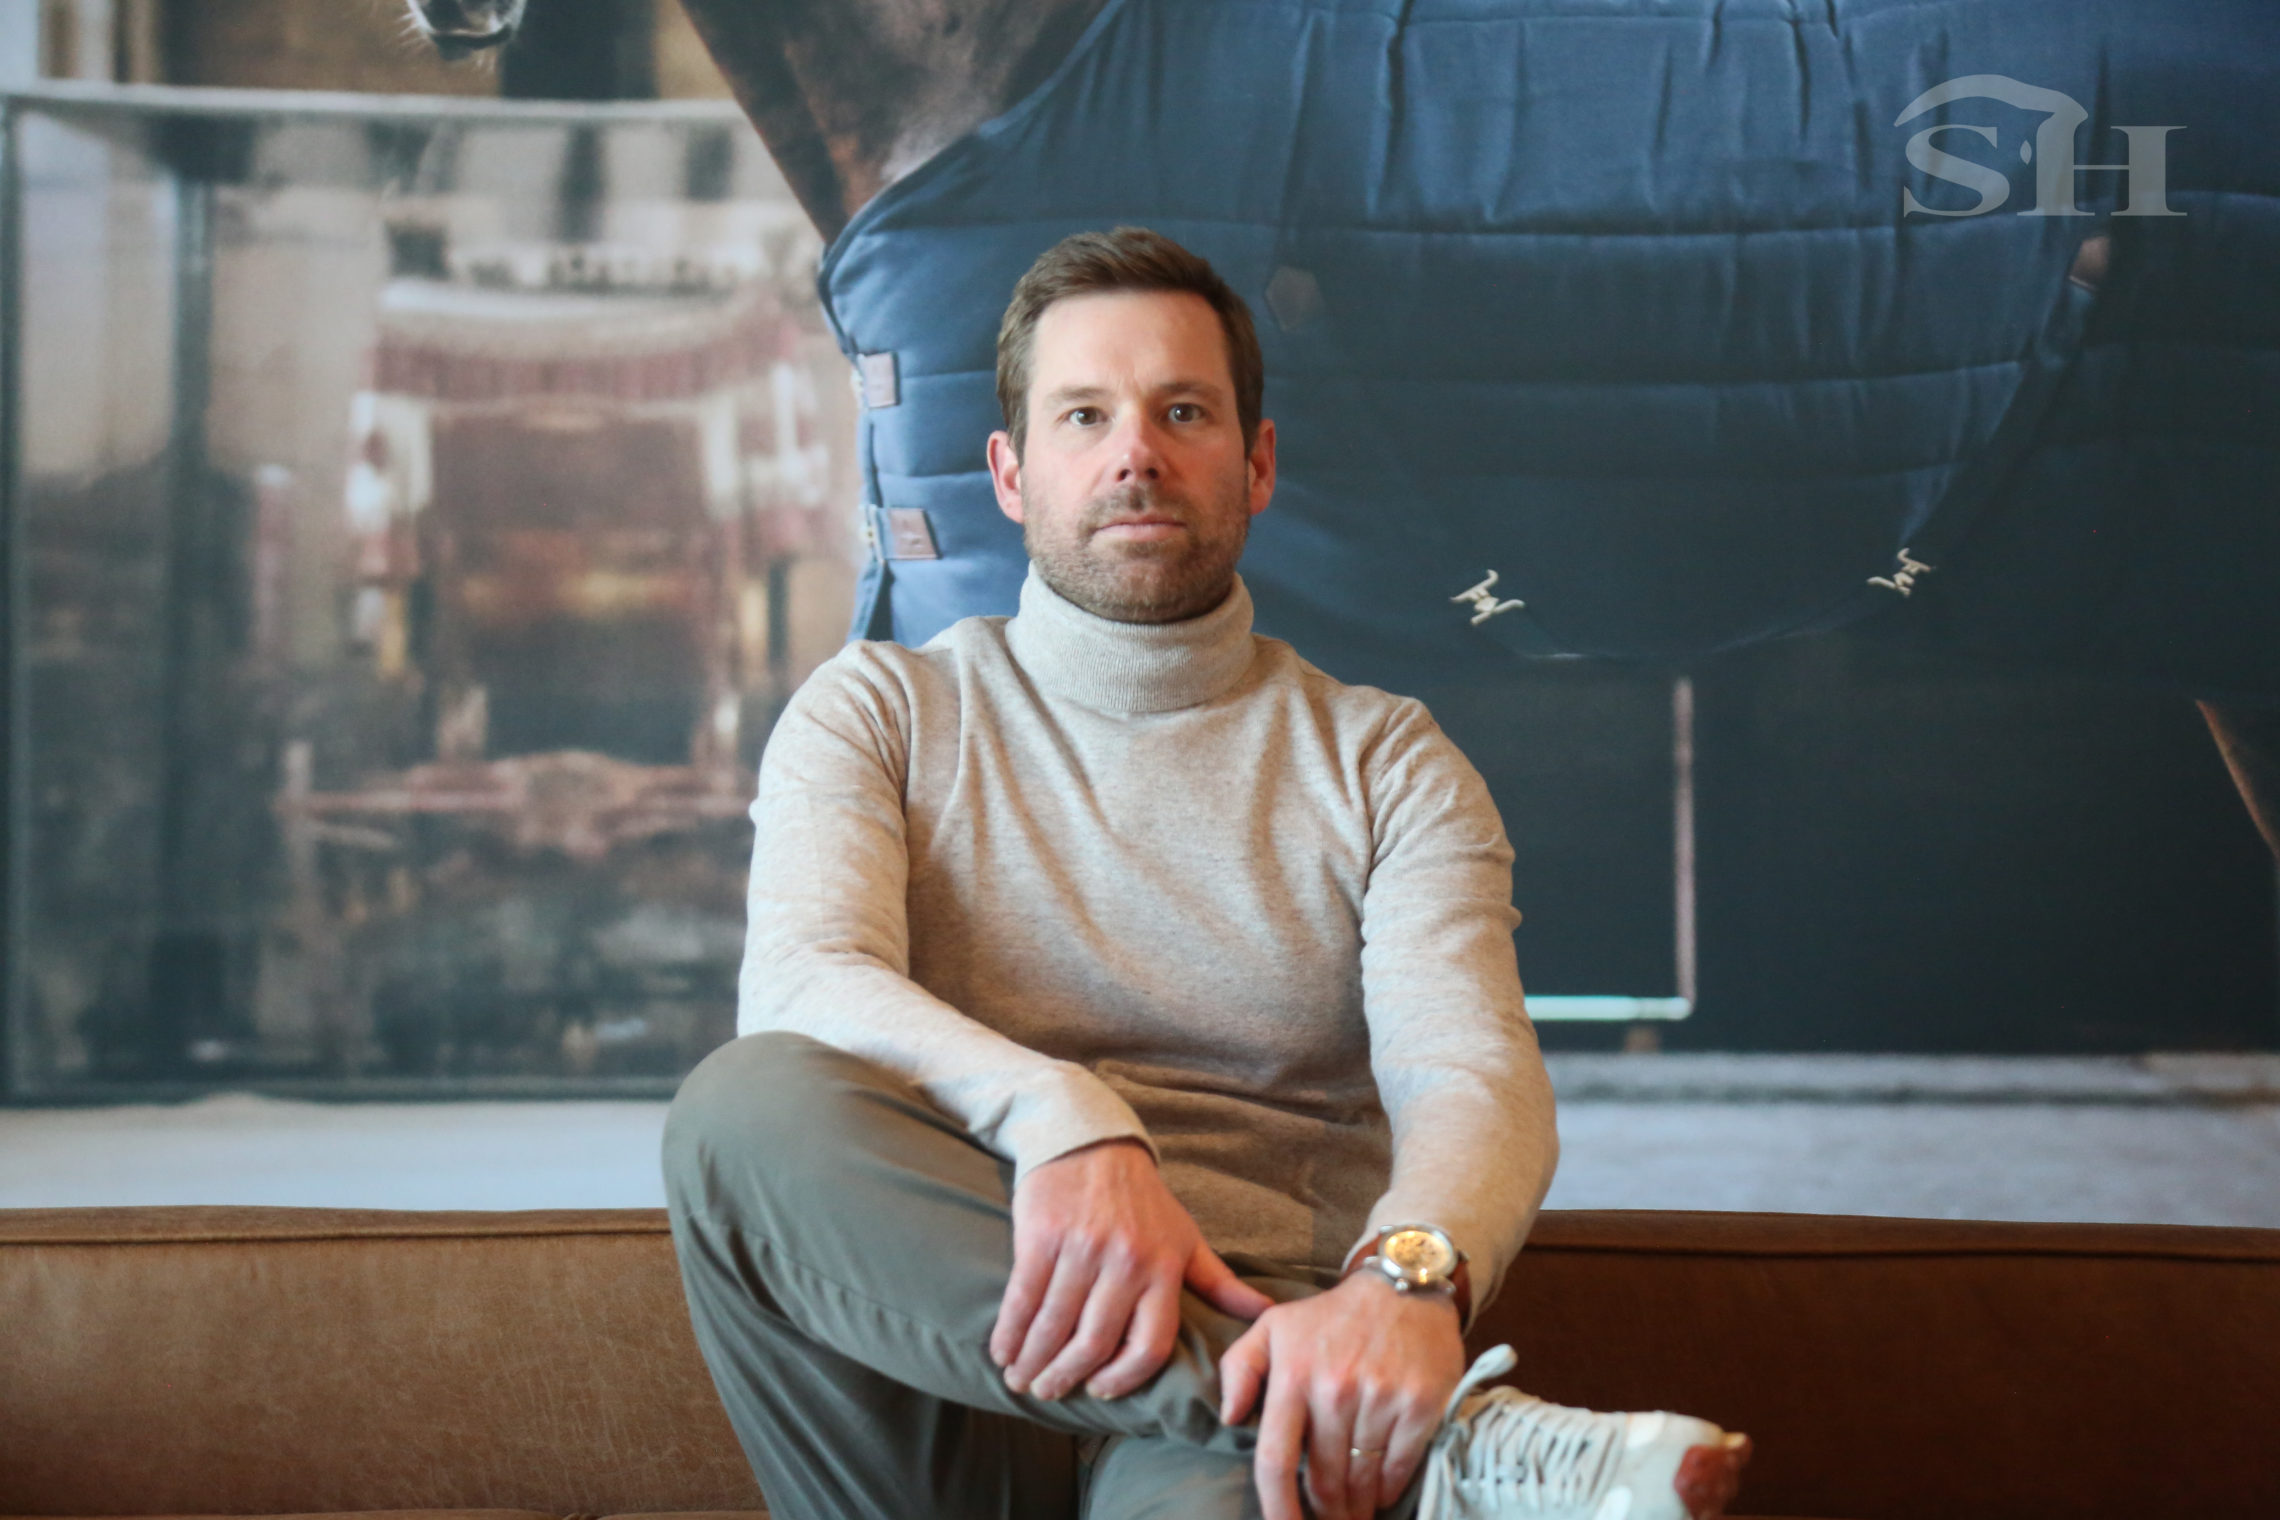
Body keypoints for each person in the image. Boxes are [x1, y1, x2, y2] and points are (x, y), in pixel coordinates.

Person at [662, 227, 1750, 1520]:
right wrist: (1067, 1120)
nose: (1135, 453)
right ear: (1010, 473)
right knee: (743, 1108)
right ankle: (1431, 1448)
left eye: (1183, 411)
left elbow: (1469, 1075)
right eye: (1084, 416)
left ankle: (1295, 1407)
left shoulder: (1387, 760)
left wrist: (1406, 1280)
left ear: (1258, 463)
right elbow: (801, 981)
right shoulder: (880, 712)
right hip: (936, 1365)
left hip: (1240, 1402)